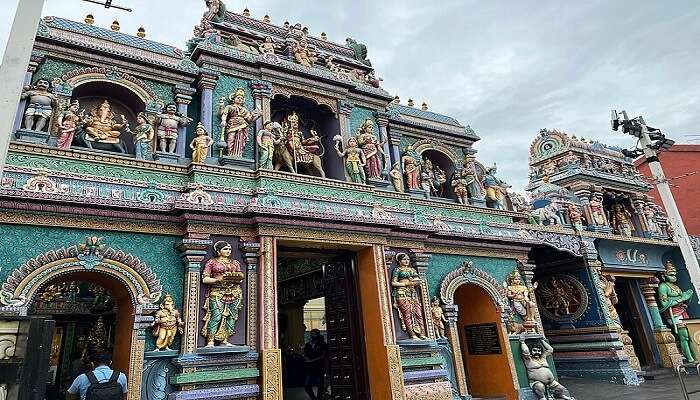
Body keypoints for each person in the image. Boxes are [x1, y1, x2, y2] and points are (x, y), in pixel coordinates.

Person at [303, 329, 328, 400]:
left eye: (314, 334)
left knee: (320, 385)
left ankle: (319, 398)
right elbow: (305, 353)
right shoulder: (308, 344)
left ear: (318, 334)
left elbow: (324, 355)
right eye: (311, 334)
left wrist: (312, 361)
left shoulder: (323, 344)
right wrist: (306, 358)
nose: (312, 335)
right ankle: (313, 398)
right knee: (307, 385)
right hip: (309, 368)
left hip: (319, 367)